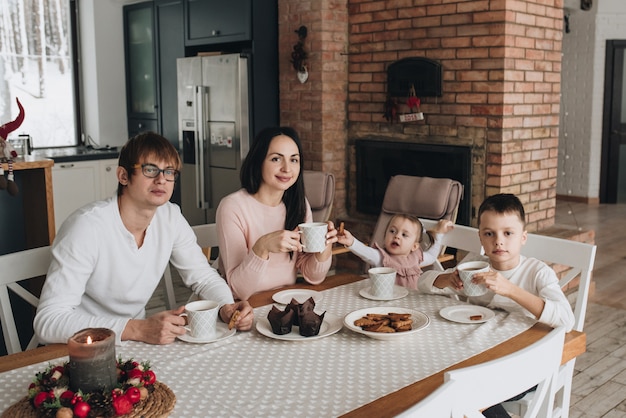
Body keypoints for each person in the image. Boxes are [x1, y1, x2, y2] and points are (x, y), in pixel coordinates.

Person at [34, 132, 253, 346]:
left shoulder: (170, 216)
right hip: (76, 347)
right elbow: (49, 321)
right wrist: (137, 328)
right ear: (123, 176)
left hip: (132, 343)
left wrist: (226, 306)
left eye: (169, 172)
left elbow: (204, 277)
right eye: (150, 170)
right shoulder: (86, 227)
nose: (161, 180)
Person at [417, 193, 575, 418]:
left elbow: (566, 320)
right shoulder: (475, 265)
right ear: (481, 238)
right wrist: (446, 279)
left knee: (459, 392)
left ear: (523, 237)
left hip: (526, 364)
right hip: (476, 353)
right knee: (437, 381)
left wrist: (510, 289)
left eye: (508, 233)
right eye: (489, 233)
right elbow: (420, 283)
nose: (498, 241)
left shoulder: (537, 272)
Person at [216, 126, 338, 301]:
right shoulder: (233, 207)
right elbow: (238, 291)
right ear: (258, 161)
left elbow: (314, 277)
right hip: (245, 307)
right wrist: (262, 248)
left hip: (286, 301)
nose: (287, 169)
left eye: (294, 160)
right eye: (276, 159)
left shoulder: (299, 204)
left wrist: (325, 245)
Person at [336, 215, 454, 289]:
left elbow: (432, 256)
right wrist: (351, 241)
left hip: (413, 303)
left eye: (404, 235)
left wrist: (439, 234)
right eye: (392, 231)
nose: (397, 236)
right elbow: (365, 251)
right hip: (386, 305)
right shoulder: (381, 257)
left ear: (414, 246)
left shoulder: (416, 257)